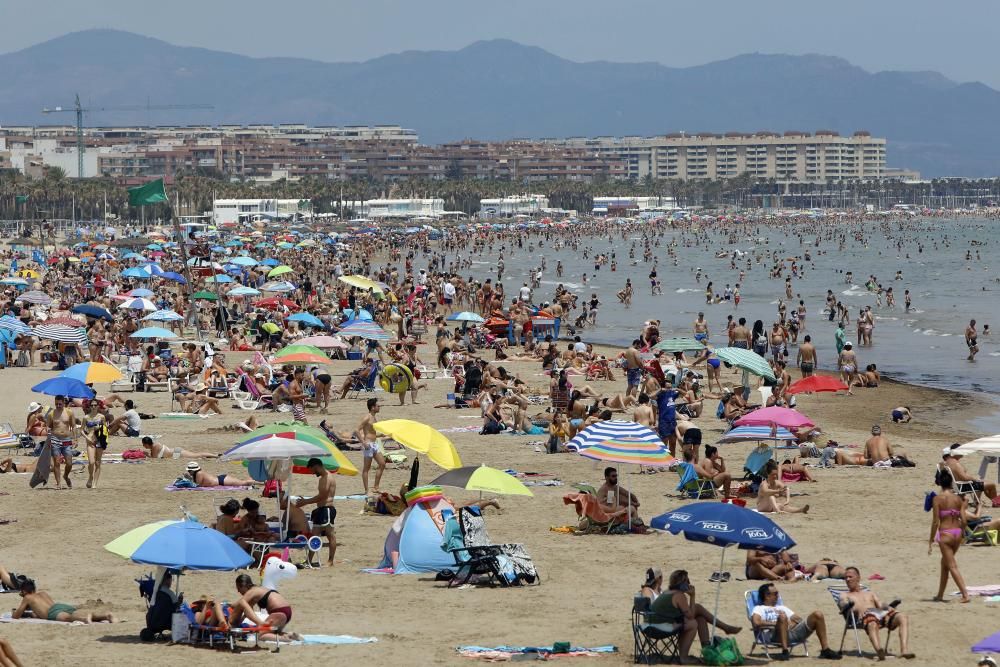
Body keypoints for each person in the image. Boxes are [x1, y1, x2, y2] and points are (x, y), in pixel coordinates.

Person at [648, 570, 742, 663]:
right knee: (693, 623)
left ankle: (707, 650)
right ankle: (684, 657)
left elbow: (688, 614)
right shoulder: (679, 595)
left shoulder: (668, 592)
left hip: (653, 624)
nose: (689, 583)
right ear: (682, 583)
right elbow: (690, 617)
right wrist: (693, 596)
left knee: (700, 618)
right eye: (687, 581)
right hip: (659, 628)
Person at [839, 566, 914, 660]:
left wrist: (889, 607)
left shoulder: (869, 593)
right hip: (866, 617)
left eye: (850, 577)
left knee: (902, 616)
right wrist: (846, 605)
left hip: (880, 615)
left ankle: (904, 651)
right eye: (846, 577)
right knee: (871, 620)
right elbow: (843, 604)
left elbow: (880, 605)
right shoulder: (845, 595)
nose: (847, 579)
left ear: (858, 577)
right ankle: (879, 651)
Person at [751, 582, 840, 660]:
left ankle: (825, 650)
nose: (778, 595)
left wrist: (789, 624)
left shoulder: (782, 607)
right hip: (773, 634)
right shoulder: (759, 608)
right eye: (776, 593)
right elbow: (756, 622)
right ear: (767, 596)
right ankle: (785, 651)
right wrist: (778, 623)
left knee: (818, 614)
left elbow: (798, 619)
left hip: (791, 633)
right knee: (782, 617)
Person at [929, 466, 969, 603]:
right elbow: (963, 520)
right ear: (951, 483)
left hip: (945, 534)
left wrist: (930, 540)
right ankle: (940, 595)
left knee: (951, 565)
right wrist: (963, 533)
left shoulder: (937, 499)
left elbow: (935, 522)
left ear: (940, 483)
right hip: (957, 533)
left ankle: (965, 594)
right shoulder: (958, 499)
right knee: (944, 564)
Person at [227, 573, 302, 642]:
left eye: (238, 588)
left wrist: (226, 604)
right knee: (273, 632)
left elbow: (238, 604)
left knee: (260, 635)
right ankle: (290, 635)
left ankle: (284, 639)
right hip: (286, 610)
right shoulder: (259, 589)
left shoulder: (252, 591)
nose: (238, 591)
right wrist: (240, 622)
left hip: (279, 612)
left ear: (243, 585)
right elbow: (248, 610)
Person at [13, 579, 117, 624]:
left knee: (68, 618)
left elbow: (16, 616)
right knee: (72, 615)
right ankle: (106, 616)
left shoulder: (27, 598)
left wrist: (16, 611)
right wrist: (30, 614)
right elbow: (44, 610)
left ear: (24, 591)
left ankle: (85, 619)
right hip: (59, 606)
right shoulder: (43, 593)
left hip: (53, 612)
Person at [295, 457, 337, 565]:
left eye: (313, 470)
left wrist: (305, 502)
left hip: (327, 509)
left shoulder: (327, 478)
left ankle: (330, 561)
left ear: (317, 467)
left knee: (330, 535)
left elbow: (322, 496)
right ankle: (309, 560)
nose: (313, 473)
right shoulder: (323, 478)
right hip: (320, 510)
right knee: (314, 535)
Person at [354, 397, 386, 494]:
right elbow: (356, 430)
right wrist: (363, 442)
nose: (379, 407)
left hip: (375, 443)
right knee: (366, 468)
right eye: (377, 406)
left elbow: (372, 432)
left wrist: (383, 434)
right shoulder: (367, 417)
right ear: (372, 407)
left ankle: (376, 487)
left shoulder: (374, 417)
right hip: (368, 444)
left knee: (382, 463)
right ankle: (366, 490)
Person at [44, 395, 76, 489]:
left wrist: (75, 439)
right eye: (56, 404)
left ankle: (65, 476)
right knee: (57, 463)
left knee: (69, 463)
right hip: (55, 439)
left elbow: (73, 426)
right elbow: (48, 426)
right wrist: (48, 435)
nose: (58, 405)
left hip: (66, 439)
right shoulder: (51, 414)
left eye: (60, 404)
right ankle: (58, 483)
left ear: (64, 403)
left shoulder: (69, 412)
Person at [80, 399, 108, 489]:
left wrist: (99, 427)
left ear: (98, 406)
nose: (93, 407)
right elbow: (81, 430)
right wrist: (87, 437)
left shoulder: (102, 417)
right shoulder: (86, 417)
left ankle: (95, 483)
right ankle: (90, 477)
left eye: (95, 405)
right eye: (92, 405)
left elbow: (105, 429)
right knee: (91, 462)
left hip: (99, 440)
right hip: (90, 440)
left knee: (98, 462)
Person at [184, 461, 255, 488]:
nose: (189, 472)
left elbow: (197, 485)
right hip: (221, 480)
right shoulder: (198, 473)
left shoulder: (199, 473)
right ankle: (255, 479)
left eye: (190, 470)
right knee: (242, 482)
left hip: (222, 481)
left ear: (193, 470)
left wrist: (189, 478)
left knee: (244, 483)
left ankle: (259, 482)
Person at [141, 436, 217, 459]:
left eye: (144, 444)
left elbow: (154, 459)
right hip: (176, 452)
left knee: (197, 455)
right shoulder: (154, 446)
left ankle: (215, 456)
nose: (143, 446)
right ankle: (213, 456)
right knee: (196, 455)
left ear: (147, 444)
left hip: (177, 453)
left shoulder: (155, 447)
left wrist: (147, 455)